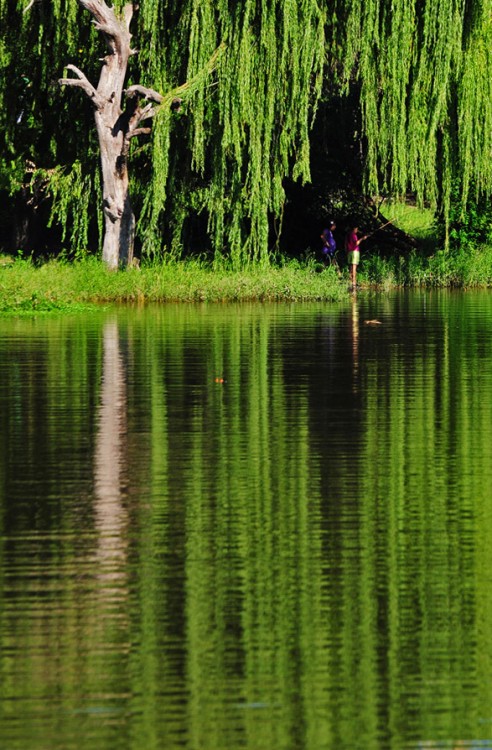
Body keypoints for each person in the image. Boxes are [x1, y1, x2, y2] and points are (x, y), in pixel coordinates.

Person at [345, 224, 367, 290]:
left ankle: (350, 283)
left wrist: (347, 251)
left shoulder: (348, 235)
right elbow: (356, 243)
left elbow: (345, 245)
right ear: (354, 229)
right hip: (355, 252)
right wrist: (362, 239)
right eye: (356, 229)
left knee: (350, 268)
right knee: (354, 268)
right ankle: (354, 284)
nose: (357, 230)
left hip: (349, 252)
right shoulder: (353, 235)